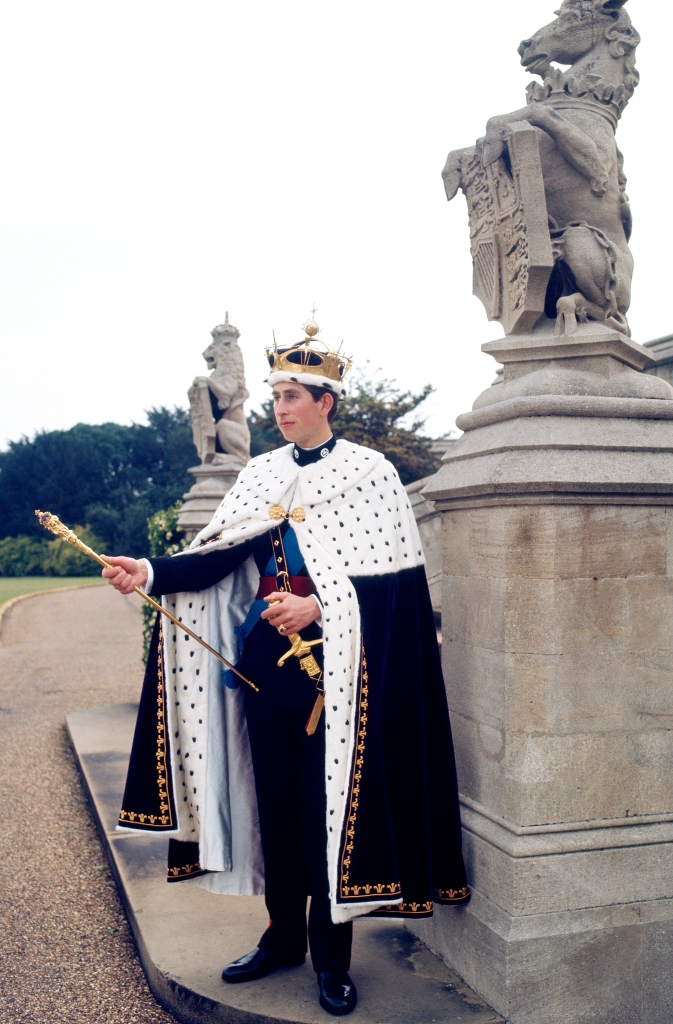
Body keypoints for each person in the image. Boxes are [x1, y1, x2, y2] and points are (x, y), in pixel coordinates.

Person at [102, 322, 468, 1017]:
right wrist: (148, 569)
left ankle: (332, 962)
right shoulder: (262, 474)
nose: (280, 408)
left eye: (293, 395)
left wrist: (319, 610)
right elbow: (219, 554)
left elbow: (395, 596)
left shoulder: (372, 477)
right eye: (275, 396)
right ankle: (280, 940)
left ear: (327, 400)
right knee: (272, 811)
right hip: (264, 677)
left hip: (339, 684)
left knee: (320, 816)